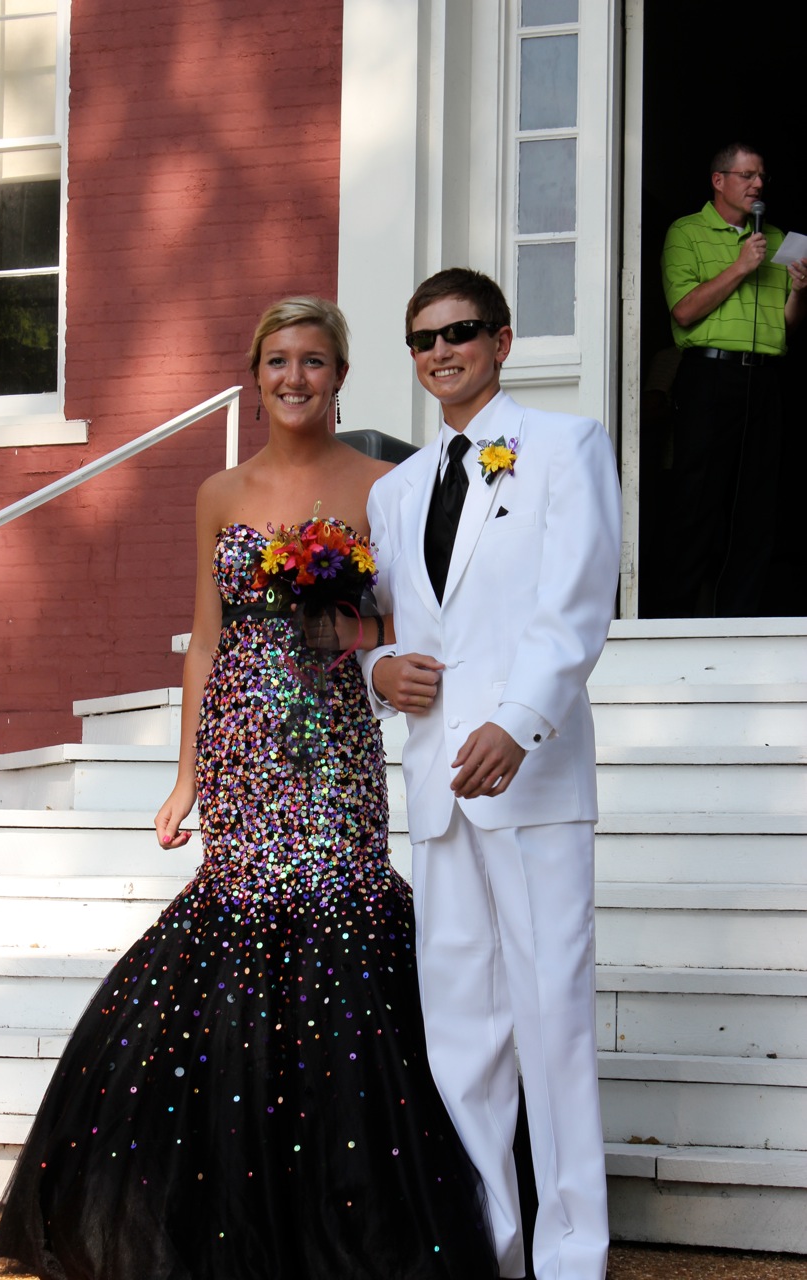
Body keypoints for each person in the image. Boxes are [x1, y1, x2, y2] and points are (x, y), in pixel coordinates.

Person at [0, 296, 500, 1280]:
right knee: (240, 925)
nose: (295, 376)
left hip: (332, 739)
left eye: (313, 360)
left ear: (340, 375)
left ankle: (352, 1210)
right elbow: (205, 640)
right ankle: (227, 1209)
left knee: (343, 917)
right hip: (240, 748)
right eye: (277, 361)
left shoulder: (385, 486)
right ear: (255, 377)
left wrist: (355, 638)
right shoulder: (218, 491)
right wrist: (185, 773)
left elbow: (416, 622)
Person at [359, 268, 622, 1280]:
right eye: (423, 338)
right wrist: (379, 671)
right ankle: (490, 1245)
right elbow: (387, 628)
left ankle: (572, 1251)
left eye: (460, 331)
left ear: (501, 341)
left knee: (552, 1020)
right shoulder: (392, 491)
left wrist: (518, 722)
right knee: (460, 1032)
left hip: (532, 780)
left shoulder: (565, 445)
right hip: (436, 791)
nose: (441, 352)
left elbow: (578, 601)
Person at [659, 141, 807, 616]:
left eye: (762, 176)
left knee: (757, 506)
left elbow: (786, 327)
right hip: (709, 376)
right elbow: (684, 311)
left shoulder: (778, 238)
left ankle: (740, 621)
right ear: (718, 181)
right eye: (747, 175)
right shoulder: (686, 232)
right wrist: (742, 266)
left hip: (763, 380)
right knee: (697, 501)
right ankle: (677, 620)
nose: (758, 184)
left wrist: (799, 292)